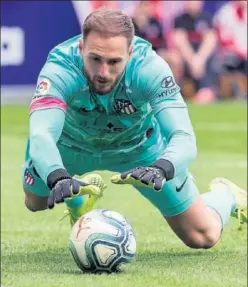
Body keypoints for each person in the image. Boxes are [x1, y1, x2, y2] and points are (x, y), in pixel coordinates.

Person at [23, 8, 247, 249]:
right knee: (35, 202)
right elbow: (41, 134)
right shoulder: (60, 69)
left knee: (203, 237)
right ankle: (77, 197)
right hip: (68, 147)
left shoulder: (149, 68)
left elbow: (183, 136)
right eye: (95, 59)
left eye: (114, 62)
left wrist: (163, 167)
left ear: (129, 53)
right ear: (80, 48)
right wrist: (57, 175)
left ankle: (226, 195)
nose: (103, 73)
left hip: (139, 149)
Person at [172, 0, 218, 103]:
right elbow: (180, 41)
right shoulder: (180, 19)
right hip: (187, 56)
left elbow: (210, 40)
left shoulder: (207, 18)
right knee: (176, 60)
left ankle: (206, 90)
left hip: (203, 56)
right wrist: (193, 59)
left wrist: (199, 59)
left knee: (211, 62)